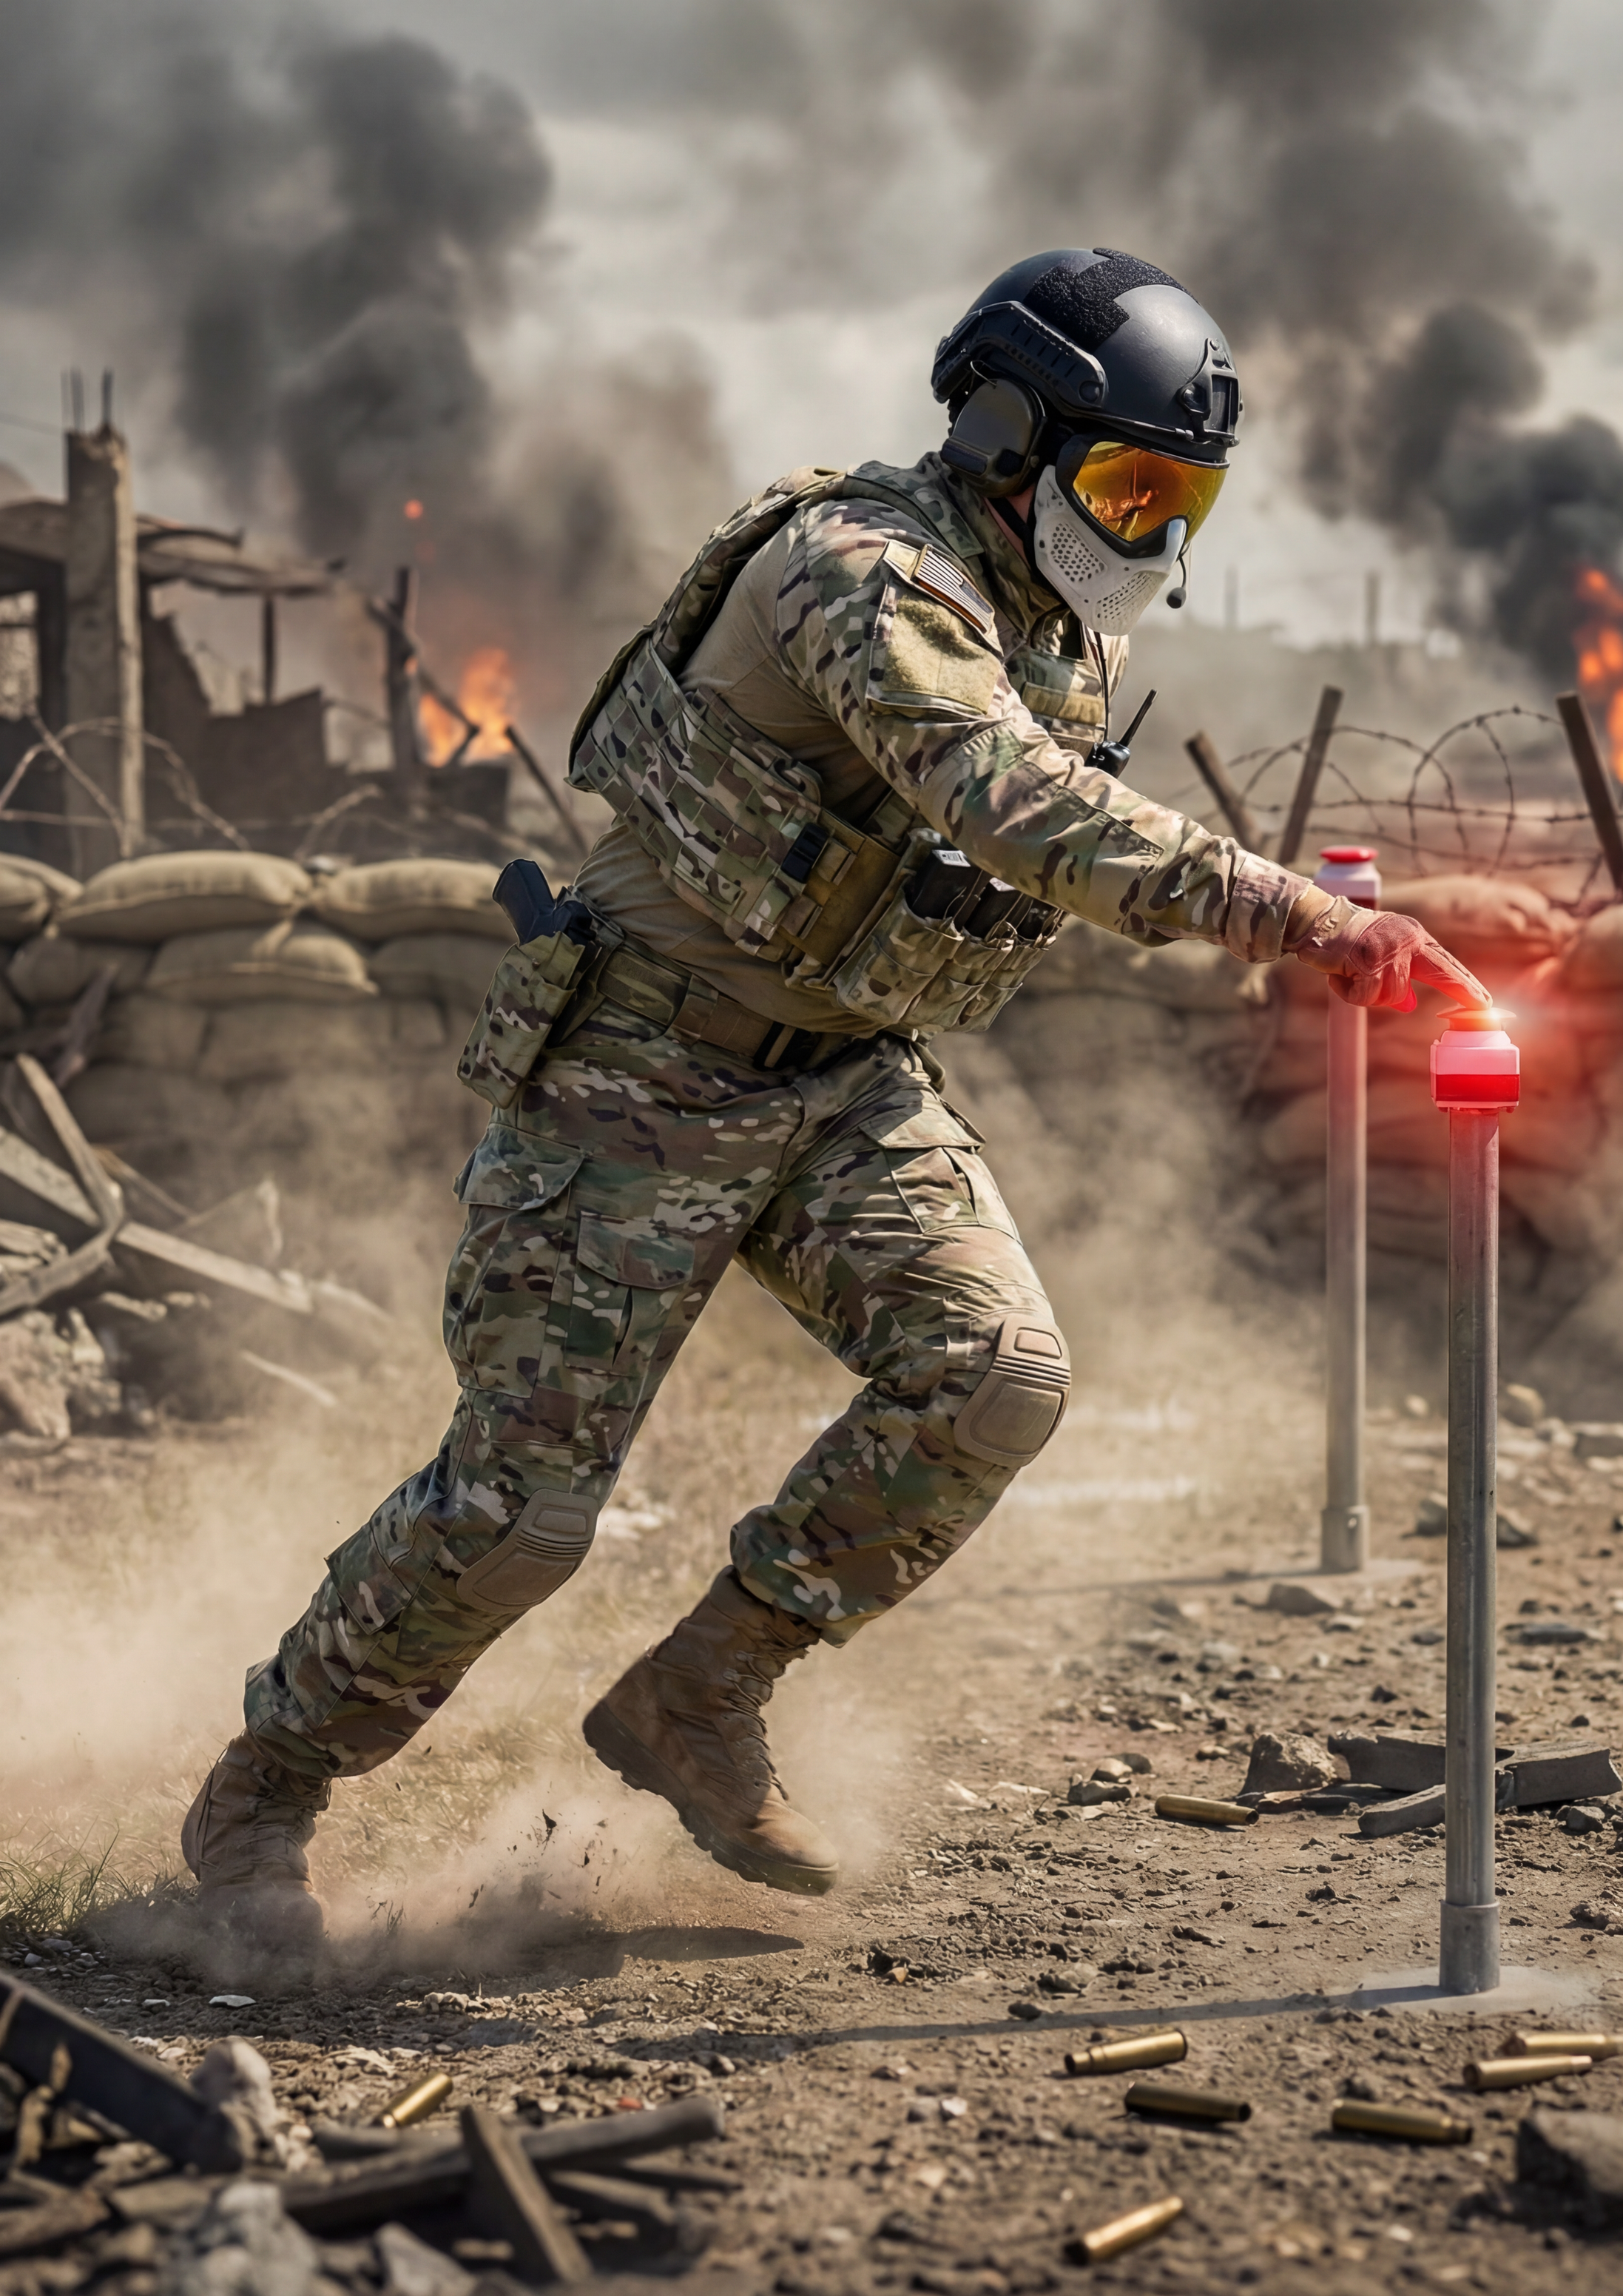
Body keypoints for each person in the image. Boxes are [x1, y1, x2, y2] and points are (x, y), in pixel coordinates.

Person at [182, 247, 1485, 1947]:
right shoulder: (857, 570)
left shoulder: (1042, 623)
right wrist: (1302, 915)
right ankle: (263, 1792)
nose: (1151, 535)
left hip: (843, 1088)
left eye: (1182, 499)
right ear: (1009, 433)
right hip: (642, 1066)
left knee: (991, 1377)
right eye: (1124, 484)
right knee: (516, 1515)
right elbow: (1013, 807)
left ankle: (700, 1694)